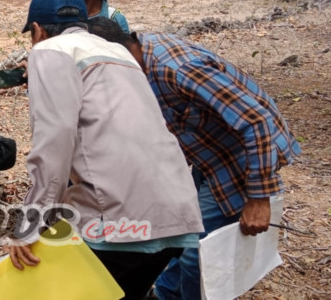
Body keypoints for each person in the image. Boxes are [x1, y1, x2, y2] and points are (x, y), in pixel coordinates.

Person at [5, 0, 204, 300]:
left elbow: (54, 140)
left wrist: (32, 222)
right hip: (178, 212)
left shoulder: (48, 50)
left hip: (117, 217)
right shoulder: (120, 52)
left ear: (37, 30)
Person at [85, 16, 302, 300]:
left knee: (196, 258)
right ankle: (165, 295)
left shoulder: (177, 68)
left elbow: (256, 121)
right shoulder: (138, 65)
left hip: (243, 157)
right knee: (182, 239)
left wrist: (259, 197)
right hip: (211, 154)